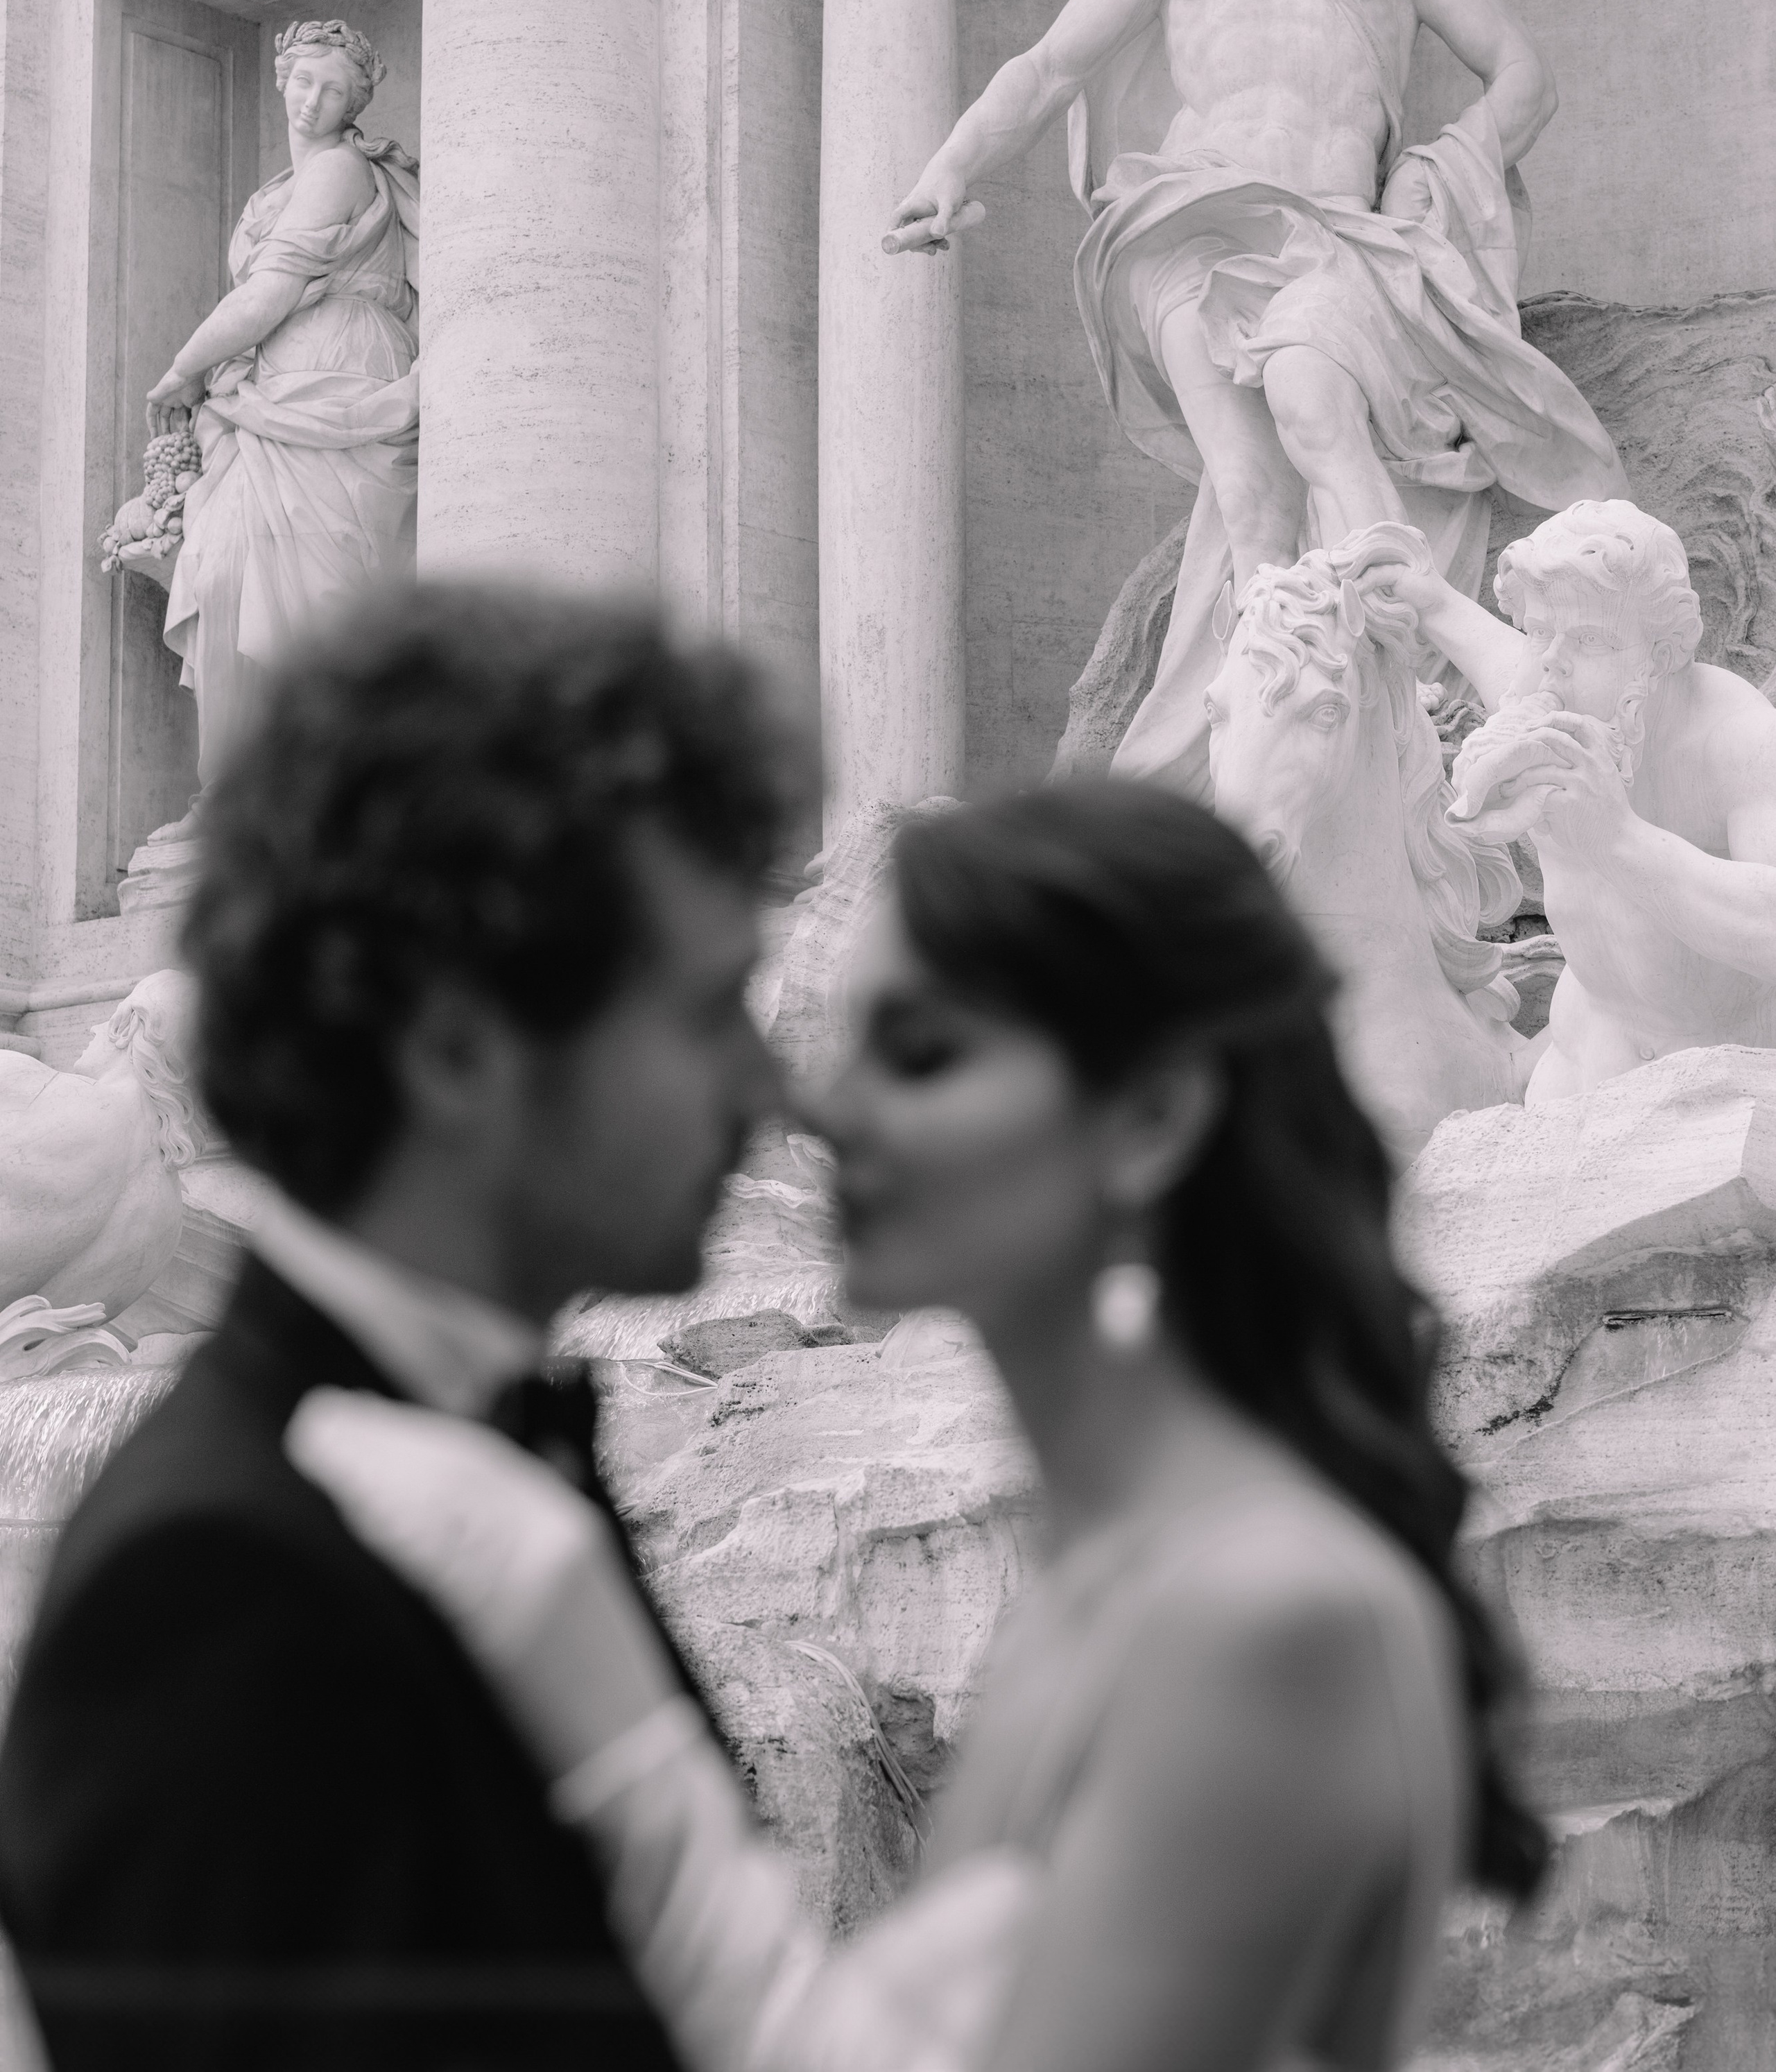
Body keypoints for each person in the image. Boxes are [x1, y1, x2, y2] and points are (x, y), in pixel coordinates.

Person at [290, 777, 1546, 2072]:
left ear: (1152, 1115)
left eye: (923, 1051)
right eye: (843, 1043)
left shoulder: (1265, 1611)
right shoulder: (1103, 1579)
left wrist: (615, 1720)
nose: (823, 1106)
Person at [0, 584, 807, 2071]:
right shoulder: (214, 1582)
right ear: (453, 1047)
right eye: (705, 1013)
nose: (767, 1084)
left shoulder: (452, 1459)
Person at [888, 0, 1620, 793]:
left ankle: (1402, 669)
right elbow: (1047, 68)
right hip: (1186, 223)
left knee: (1309, 396)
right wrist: (948, 169)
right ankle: (1263, 743)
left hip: (1335, 233)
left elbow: (1524, 78)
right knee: (1250, 499)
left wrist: (1435, 177)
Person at [1367, 500, 1776, 1095]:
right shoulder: (1551, 688)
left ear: (1661, 654)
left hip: (1722, 1084)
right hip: (1576, 1072)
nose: (1550, 663)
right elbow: (1493, 646)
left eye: (1589, 639)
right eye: (1538, 631)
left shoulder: (1737, 740)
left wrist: (1616, 837)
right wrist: (1426, 596)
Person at [147, 16, 421, 806]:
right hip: (267, 390)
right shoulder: (273, 191)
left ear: (353, 105)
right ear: (280, 80)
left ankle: (322, 786)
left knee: (310, 579)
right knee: (224, 567)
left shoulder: (340, 168)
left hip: (339, 374)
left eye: (333, 91)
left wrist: (183, 370)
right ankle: (243, 791)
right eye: (303, 81)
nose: (312, 101)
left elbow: (268, 294)